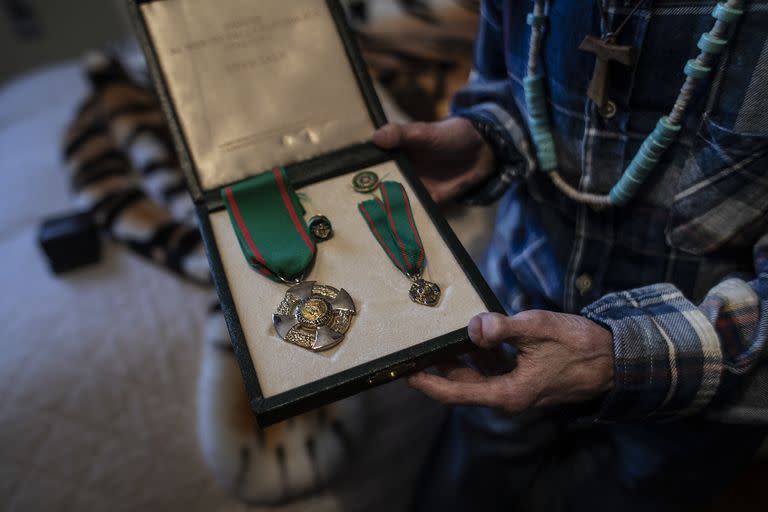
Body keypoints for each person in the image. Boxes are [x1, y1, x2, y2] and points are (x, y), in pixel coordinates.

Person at [372, 1, 768, 510]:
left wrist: (618, 356)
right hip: (507, 309)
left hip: (698, 403)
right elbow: (508, 83)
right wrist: (486, 138)